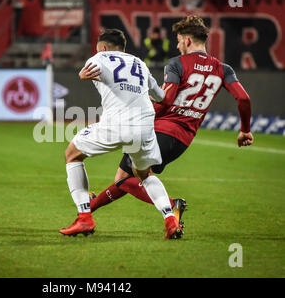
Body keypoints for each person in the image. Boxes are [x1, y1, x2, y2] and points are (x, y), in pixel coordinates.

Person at [88, 16, 254, 227]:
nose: (177, 45)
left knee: (123, 178)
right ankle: (91, 206)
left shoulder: (177, 63)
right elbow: (244, 98)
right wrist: (245, 130)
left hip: (160, 131)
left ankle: (171, 205)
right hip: (183, 140)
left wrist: (144, 105)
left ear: (186, 41)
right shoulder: (224, 69)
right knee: (134, 177)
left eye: (178, 40)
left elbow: (165, 102)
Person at [60, 29, 184, 239]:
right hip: (145, 126)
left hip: (116, 124)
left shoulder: (99, 57)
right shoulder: (140, 64)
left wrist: (81, 74)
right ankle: (171, 220)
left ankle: (84, 217)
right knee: (144, 174)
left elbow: (85, 70)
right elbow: (162, 97)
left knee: (72, 154)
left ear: (104, 47)